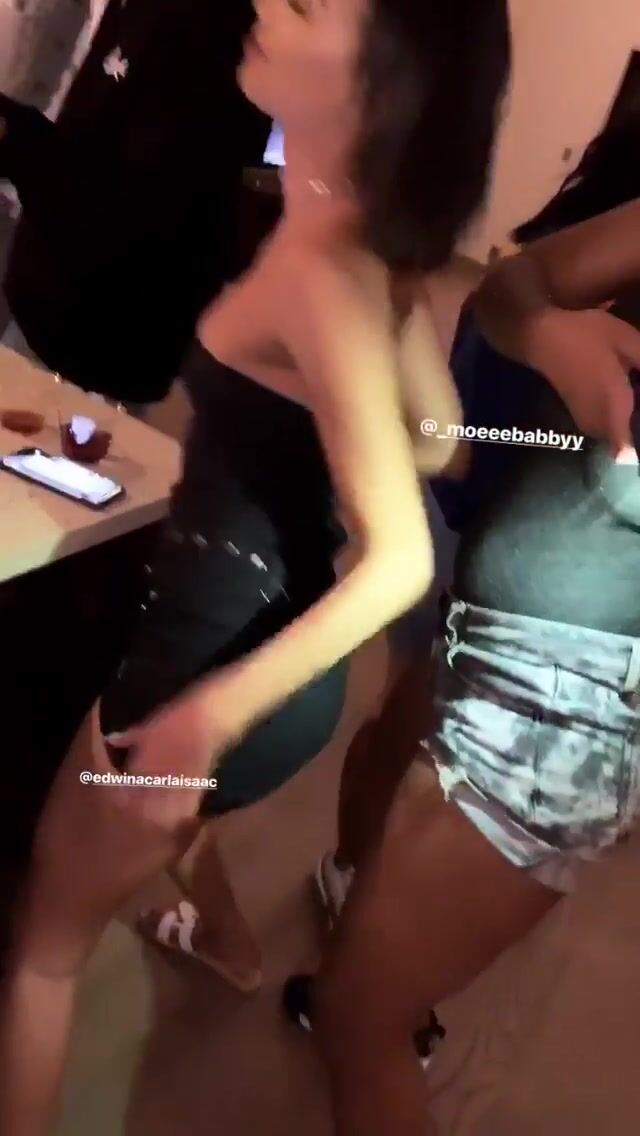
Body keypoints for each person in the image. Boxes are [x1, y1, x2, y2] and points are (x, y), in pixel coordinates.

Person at [0, 0, 511, 1132]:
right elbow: (444, 441)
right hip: (275, 660)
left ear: (382, 77)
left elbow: (400, 562)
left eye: (310, 4)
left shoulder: (322, 270)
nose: (270, 5)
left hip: (204, 668)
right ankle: (223, 939)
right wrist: (310, 434)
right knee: (155, 819)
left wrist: (200, 718)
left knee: (41, 949)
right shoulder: (361, 246)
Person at [281, 173, 640, 1132]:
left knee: (358, 1021)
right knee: (363, 988)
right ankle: (354, 909)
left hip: (572, 707)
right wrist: (555, 335)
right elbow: (512, 285)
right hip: (494, 630)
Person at [0, 0, 269, 407]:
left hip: (94, 362)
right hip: (44, 323)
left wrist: (12, 138)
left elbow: (122, 219)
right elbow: (90, 151)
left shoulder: (206, 31)